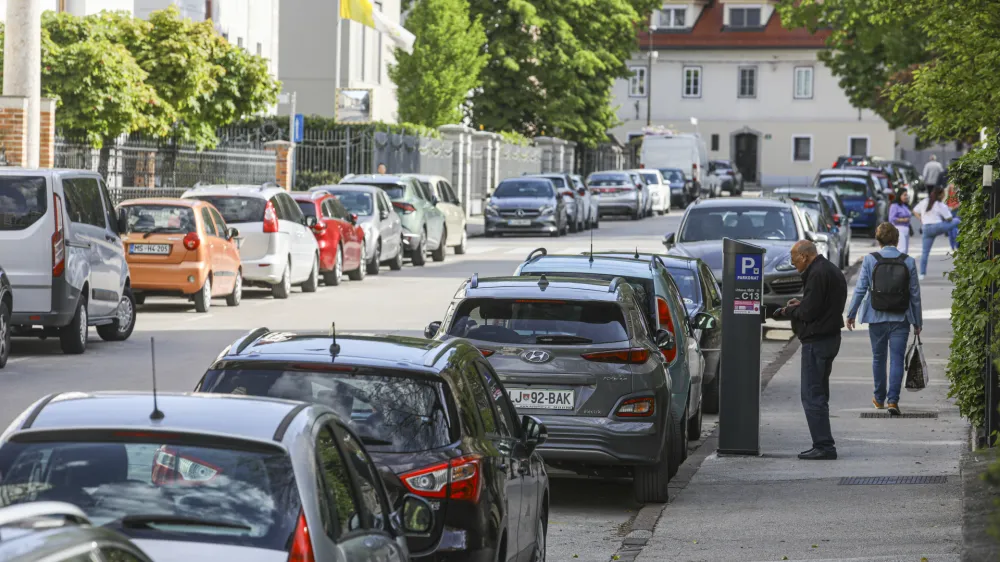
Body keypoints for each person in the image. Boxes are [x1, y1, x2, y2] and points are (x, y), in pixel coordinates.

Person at [772, 240, 848, 460]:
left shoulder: (817, 274)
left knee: (812, 394)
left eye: (794, 257)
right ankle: (823, 443)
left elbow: (810, 312)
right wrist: (802, 304)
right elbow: (819, 304)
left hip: (818, 341)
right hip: (829, 337)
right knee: (819, 393)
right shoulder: (828, 270)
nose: (792, 262)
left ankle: (824, 445)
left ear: (805, 256)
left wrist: (789, 311)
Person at [846, 223, 923, 416]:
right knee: (897, 359)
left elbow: (861, 288)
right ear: (897, 240)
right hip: (901, 317)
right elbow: (915, 295)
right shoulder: (909, 261)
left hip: (876, 316)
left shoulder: (871, 260)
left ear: (878, 240)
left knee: (879, 358)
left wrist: (851, 313)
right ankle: (893, 401)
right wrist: (917, 321)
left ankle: (878, 399)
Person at [912, 186, 958, 279]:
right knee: (957, 221)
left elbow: (914, 210)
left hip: (926, 228)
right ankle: (957, 242)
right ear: (940, 195)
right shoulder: (939, 204)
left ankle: (922, 274)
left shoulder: (924, 201)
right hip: (938, 227)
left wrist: (920, 219)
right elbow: (949, 218)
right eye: (943, 194)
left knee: (925, 252)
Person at [888, 188, 913, 253]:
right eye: (904, 195)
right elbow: (891, 218)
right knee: (901, 249)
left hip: (906, 229)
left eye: (906, 195)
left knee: (905, 250)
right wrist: (902, 220)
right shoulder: (894, 206)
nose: (906, 197)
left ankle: (903, 263)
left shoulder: (905, 205)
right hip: (899, 229)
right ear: (899, 195)